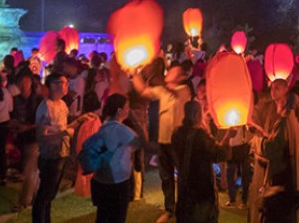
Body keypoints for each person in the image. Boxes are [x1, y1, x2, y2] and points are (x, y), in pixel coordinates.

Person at [131, 60, 192, 223]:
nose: (169, 73)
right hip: (163, 140)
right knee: (166, 177)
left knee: (183, 176)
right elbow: (143, 91)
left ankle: (185, 207)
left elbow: (173, 92)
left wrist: (161, 82)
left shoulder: (184, 90)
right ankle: (169, 209)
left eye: (173, 72)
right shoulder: (162, 91)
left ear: (181, 77)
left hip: (178, 142)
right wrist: (134, 72)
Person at [33, 73, 94, 223]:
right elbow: (41, 137)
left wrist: (80, 120)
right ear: (53, 85)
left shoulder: (62, 105)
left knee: (50, 194)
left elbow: (65, 128)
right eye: (63, 83)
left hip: (62, 154)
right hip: (49, 156)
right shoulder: (45, 107)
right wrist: (63, 134)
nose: (67, 86)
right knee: (45, 195)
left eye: (67, 83)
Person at [89, 94, 146, 223]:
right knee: (117, 218)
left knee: (102, 217)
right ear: (120, 111)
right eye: (127, 107)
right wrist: (138, 122)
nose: (129, 110)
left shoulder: (103, 125)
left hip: (100, 181)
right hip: (117, 183)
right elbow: (142, 143)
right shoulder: (121, 130)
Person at [172, 100, 232, 223]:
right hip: (201, 189)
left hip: (184, 186)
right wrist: (228, 136)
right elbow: (220, 154)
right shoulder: (200, 136)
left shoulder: (177, 133)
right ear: (197, 115)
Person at [260, 90, 299, 222]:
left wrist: (263, 141)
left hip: (281, 180)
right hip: (290, 180)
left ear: (284, 103)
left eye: (278, 102)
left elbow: (273, 150)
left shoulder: (283, 123)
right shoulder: (295, 122)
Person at [11, 71, 42, 212]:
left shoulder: (37, 100)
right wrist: (14, 124)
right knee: (32, 170)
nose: (23, 85)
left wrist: (27, 127)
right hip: (21, 138)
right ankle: (35, 196)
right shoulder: (16, 100)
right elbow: (13, 116)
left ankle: (24, 201)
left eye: (26, 82)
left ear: (31, 82)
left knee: (29, 170)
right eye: (21, 82)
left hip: (34, 138)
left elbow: (42, 122)